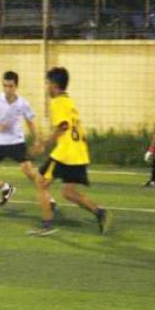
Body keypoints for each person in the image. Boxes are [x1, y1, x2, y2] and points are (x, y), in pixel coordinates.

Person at [31, 67, 113, 236]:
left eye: (47, 83)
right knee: (68, 192)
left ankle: (46, 225)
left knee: (40, 182)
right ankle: (100, 213)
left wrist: (44, 144)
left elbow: (63, 126)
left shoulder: (57, 102)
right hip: (79, 153)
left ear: (53, 85)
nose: (46, 87)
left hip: (66, 153)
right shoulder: (68, 101)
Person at [0, 71, 54, 209]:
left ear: (16, 86)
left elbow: (30, 122)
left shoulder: (23, 103)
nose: (7, 89)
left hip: (16, 143)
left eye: (10, 86)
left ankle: (49, 200)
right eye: (5, 86)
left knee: (29, 172)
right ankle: (5, 188)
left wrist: (37, 140)